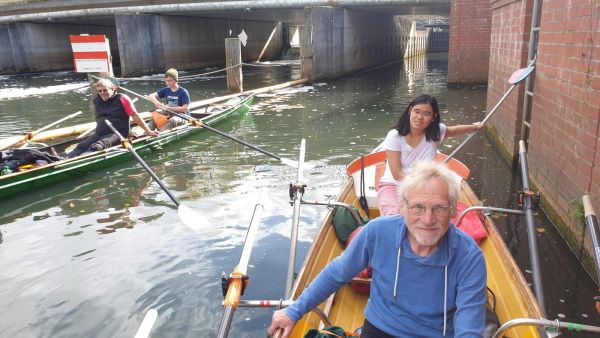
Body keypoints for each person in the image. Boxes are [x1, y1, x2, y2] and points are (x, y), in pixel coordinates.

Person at [268, 161, 487, 338]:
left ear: (453, 211)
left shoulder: (469, 257)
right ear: (402, 208)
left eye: (439, 208)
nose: (428, 219)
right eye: (418, 207)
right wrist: (293, 311)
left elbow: (468, 329)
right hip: (380, 329)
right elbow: (337, 273)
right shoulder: (378, 232)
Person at [378, 94, 484, 216]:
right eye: (416, 111)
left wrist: (475, 127)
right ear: (410, 111)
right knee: (394, 217)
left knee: (438, 216)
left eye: (426, 114)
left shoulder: (436, 132)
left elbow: (455, 130)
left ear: (433, 117)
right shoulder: (395, 136)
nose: (419, 117)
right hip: (394, 185)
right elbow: (397, 174)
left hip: (425, 187)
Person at [67, 79, 158, 158]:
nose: (102, 93)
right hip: (100, 132)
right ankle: (63, 159)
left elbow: (135, 116)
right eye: (100, 91)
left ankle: (75, 161)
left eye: (105, 90)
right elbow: (99, 118)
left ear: (113, 89)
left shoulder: (122, 98)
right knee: (81, 145)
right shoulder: (96, 100)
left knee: (96, 147)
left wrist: (148, 131)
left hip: (117, 133)